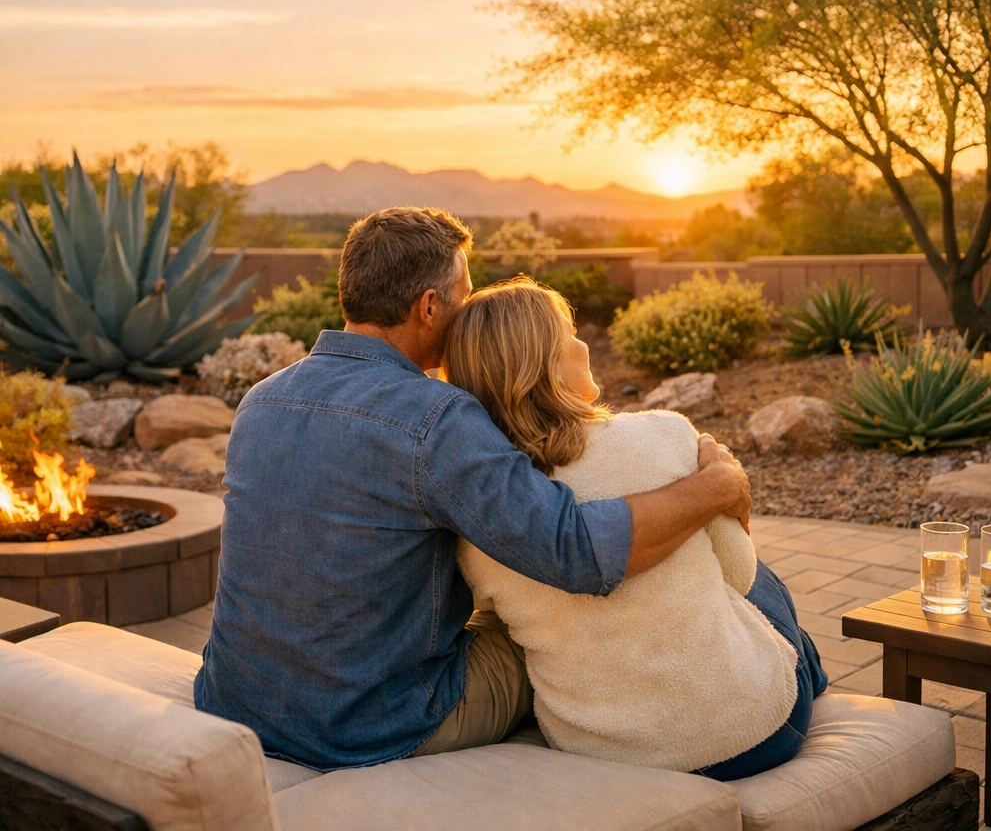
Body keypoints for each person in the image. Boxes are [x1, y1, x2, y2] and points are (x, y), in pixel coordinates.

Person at [194, 206, 751, 770]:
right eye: (464, 296)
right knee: (553, 629)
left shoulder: (261, 400)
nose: (471, 310)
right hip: (364, 726)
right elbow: (575, 551)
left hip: (237, 700)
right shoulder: (434, 417)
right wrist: (716, 484)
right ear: (429, 307)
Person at [447, 278, 828, 779]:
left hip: (599, 750)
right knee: (759, 581)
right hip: (755, 733)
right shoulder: (666, 435)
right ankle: (812, 668)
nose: (584, 345)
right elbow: (737, 574)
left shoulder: (479, 511)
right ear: (542, 361)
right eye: (569, 334)